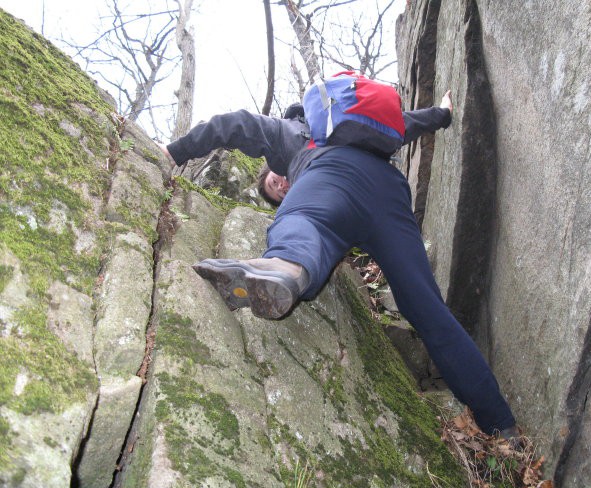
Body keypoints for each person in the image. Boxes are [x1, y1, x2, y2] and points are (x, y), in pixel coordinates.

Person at [160, 91, 519, 439]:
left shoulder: (287, 134)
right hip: (387, 196)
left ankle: (287, 266)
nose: (283, 185)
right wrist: (441, 114)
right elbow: (402, 124)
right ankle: (499, 422)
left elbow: (234, 123)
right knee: (426, 308)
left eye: (275, 181)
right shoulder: (353, 124)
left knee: (303, 221)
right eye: (278, 193)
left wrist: (174, 151)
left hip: (329, 177)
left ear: (272, 165)